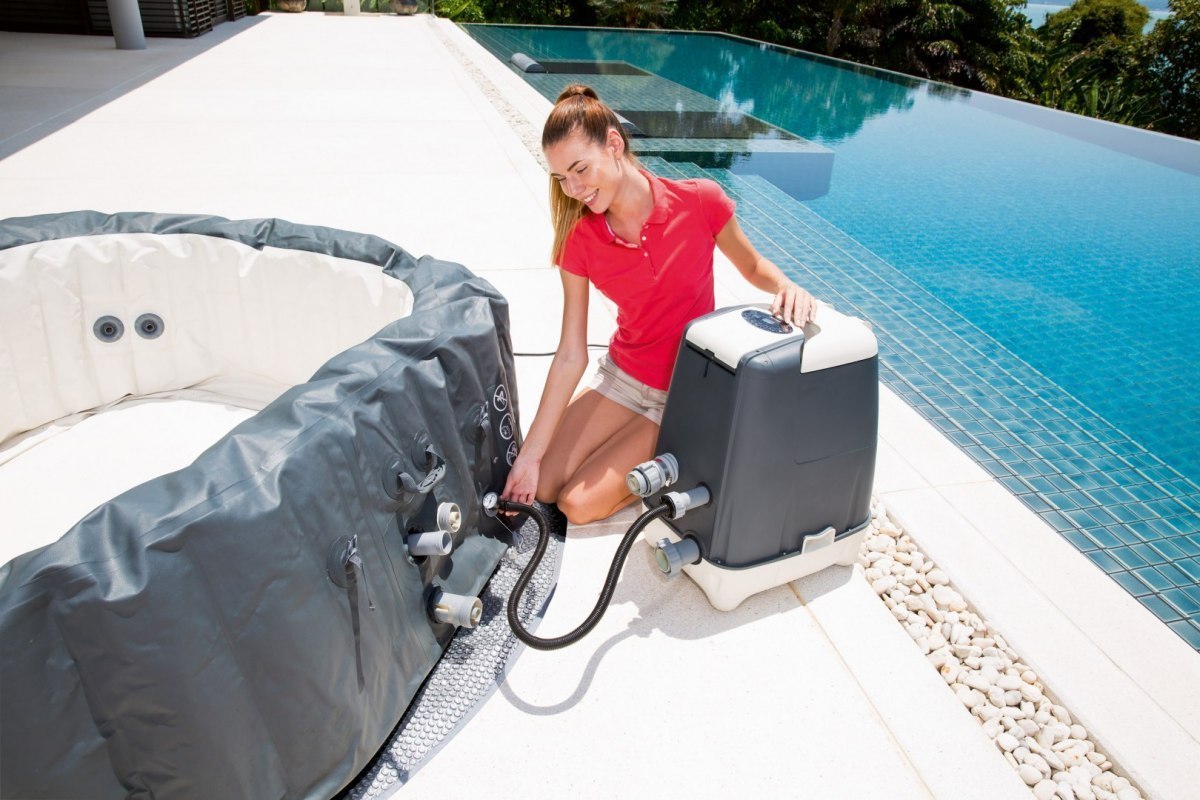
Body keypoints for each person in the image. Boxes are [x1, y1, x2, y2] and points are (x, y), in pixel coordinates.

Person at [501, 84, 816, 527]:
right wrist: (530, 457)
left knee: (576, 504)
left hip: (684, 392)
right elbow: (571, 353)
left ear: (614, 144)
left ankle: (688, 444)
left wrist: (785, 285)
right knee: (545, 485)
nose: (574, 189)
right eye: (562, 179)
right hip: (622, 379)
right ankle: (651, 450)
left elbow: (752, 265)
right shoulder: (580, 239)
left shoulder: (701, 200)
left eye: (580, 170)